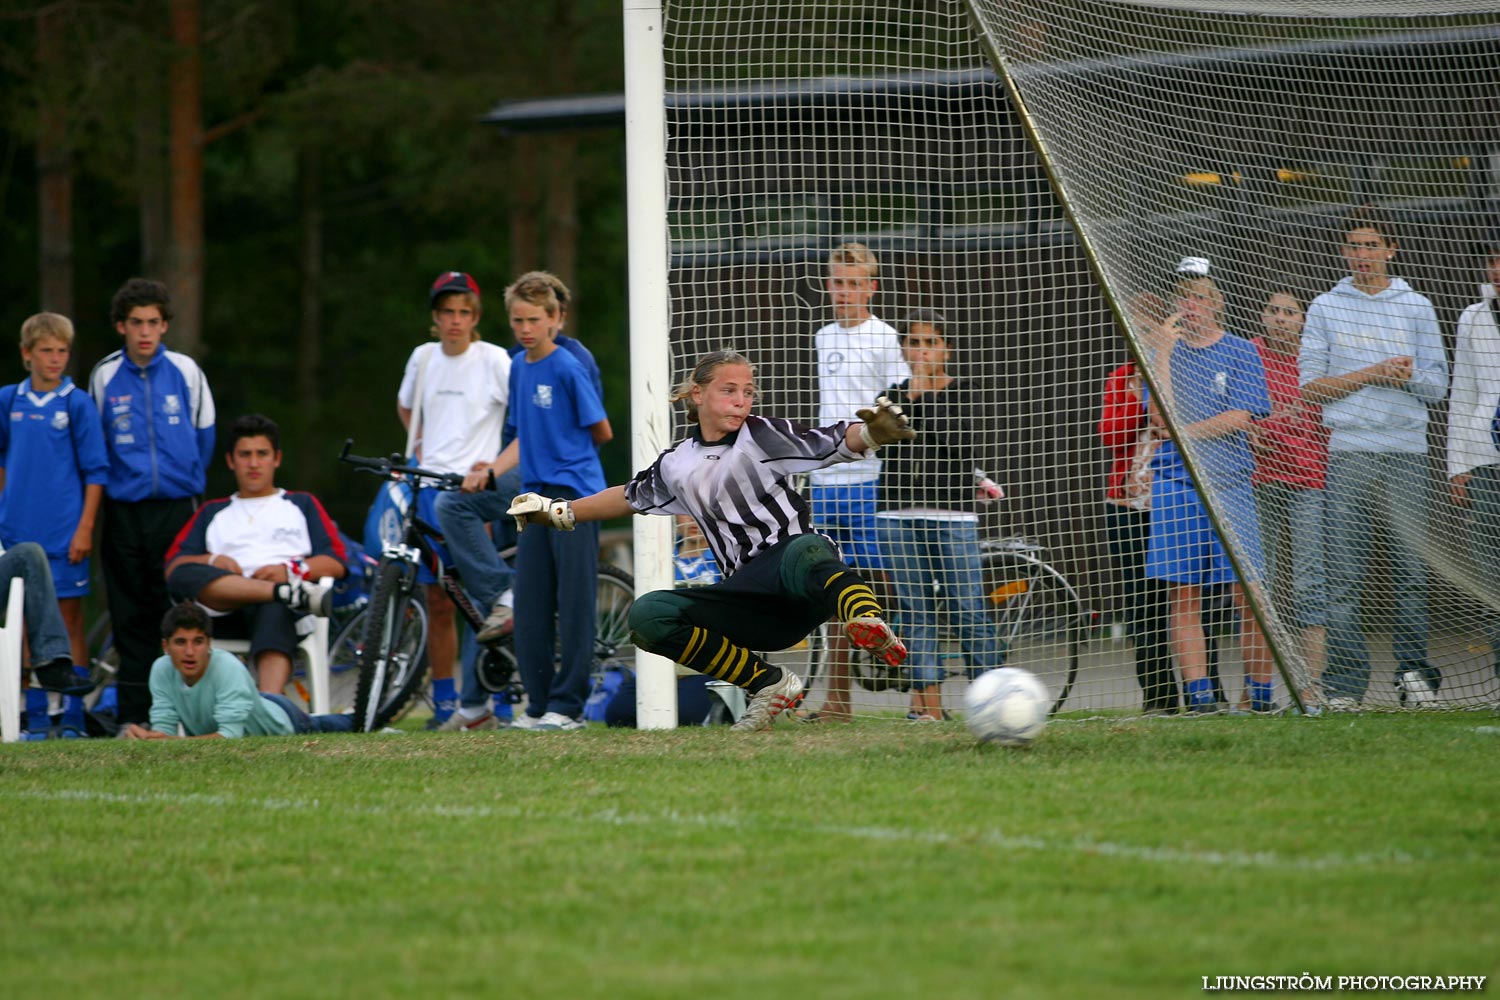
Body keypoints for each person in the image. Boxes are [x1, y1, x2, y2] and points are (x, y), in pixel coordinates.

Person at [506, 349, 914, 731]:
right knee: (648, 615)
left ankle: (866, 619)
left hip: (799, 580)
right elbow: (628, 495)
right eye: (729, 390)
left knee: (806, 546)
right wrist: (561, 511)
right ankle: (767, 683)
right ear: (697, 394)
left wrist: (873, 433)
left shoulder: (763, 434)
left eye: (748, 392)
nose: (741, 400)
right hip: (750, 604)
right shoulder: (677, 464)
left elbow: (833, 442)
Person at [1298, 207, 1448, 709]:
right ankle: (1344, 686)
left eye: (1371, 246)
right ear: (1344, 252)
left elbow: (1438, 384)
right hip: (1349, 452)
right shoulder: (1323, 306)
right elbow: (1311, 388)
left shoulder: (1417, 306)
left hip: (1407, 454)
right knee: (1343, 575)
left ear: (1390, 250)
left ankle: (1414, 677)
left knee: (1410, 570)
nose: (1361, 256)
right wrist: (1371, 373)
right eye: (1353, 247)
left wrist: (1406, 377)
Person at [475, 274, 611, 731]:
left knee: (574, 602)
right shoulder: (517, 366)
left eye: (534, 319)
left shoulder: (571, 364)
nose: (525, 328)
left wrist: (563, 459)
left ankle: (567, 708)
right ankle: (537, 706)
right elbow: (519, 433)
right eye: (517, 320)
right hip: (530, 497)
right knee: (531, 601)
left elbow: (600, 430)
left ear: (553, 318)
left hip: (572, 495)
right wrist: (492, 470)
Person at [1145, 259, 1275, 714]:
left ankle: (1259, 696)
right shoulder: (1163, 353)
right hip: (1176, 485)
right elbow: (1159, 419)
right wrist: (1161, 352)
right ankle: (1200, 699)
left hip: (1230, 484)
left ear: (1217, 303)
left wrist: (1183, 432)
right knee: (1183, 594)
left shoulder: (1241, 351)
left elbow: (1240, 418)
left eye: (1200, 296)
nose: (1192, 305)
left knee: (1250, 592)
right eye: (1184, 297)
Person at [88, 278, 216, 729]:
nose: (145, 332)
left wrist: (184, 483)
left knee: (179, 614)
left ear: (165, 326)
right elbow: (97, 446)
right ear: (121, 327)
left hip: (177, 510)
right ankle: (133, 718)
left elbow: (204, 436)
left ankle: (186, 717)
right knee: (130, 616)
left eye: (154, 323)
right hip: (124, 513)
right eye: (136, 323)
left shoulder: (185, 371)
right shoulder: (104, 375)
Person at [873, 310, 1005, 721]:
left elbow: (958, 439)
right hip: (896, 514)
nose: (922, 351)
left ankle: (994, 703)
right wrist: (888, 420)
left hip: (953, 516)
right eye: (914, 342)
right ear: (904, 349)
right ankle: (929, 710)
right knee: (915, 612)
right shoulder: (891, 394)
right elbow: (883, 444)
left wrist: (916, 404)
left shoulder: (964, 391)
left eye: (931, 343)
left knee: (968, 610)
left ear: (946, 349)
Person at [395, 271, 511, 728]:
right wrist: (419, 442)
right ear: (435, 317)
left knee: (482, 599)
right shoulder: (422, 358)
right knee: (438, 599)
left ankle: (495, 694)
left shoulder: (495, 360)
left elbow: (517, 415)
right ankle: (445, 700)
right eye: (447, 312)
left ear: (476, 316)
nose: (456, 321)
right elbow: (407, 405)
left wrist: (493, 465)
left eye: (464, 312)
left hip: (474, 491)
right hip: (429, 486)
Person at [163, 413, 343, 694]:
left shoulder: (301, 504)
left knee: (274, 608)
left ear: (277, 458)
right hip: (220, 613)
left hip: (283, 613)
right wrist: (212, 560)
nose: (254, 463)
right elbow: (175, 568)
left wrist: (291, 571)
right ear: (231, 461)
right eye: (245, 455)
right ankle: (278, 591)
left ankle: (269, 708)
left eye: (262, 454)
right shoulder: (213, 511)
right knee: (187, 575)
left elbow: (335, 562)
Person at [806, 242, 909, 721]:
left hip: (871, 481)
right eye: (836, 282)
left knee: (886, 580)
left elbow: (903, 408)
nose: (843, 291)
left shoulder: (886, 338)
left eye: (853, 283)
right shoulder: (823, 336)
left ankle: (910, 671)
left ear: (872, 287)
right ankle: (837, 701)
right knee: (833, 589)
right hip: (827, 481)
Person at [0, 312, 109, 728]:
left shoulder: (76, 402)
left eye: (62, 351)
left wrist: (84, 528)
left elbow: (96, 471)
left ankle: (74, 714)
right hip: (17, 531)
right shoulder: (9, 400)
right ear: (27, 354)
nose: (55, 359)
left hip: (64, 532)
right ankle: (36, 715)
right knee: (24, 622)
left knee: (69, 619)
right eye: (46, 350)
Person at [1098, 292, 1181, 714]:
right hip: (1128, 505)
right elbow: (1111, 435)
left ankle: (1207, 693)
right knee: (1140, 601)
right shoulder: (1120, 378)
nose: (1141, 336)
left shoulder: (1182, 370)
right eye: (1134, 328)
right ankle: (1159, 698)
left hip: (1174, 499)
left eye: (1149, 328)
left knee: (1187, 598)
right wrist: (1140, 398)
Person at [1249, 283, 1329, 702]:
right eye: (1274, 310)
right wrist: (1250, 430)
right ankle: (1257, 689)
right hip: (1260, 479)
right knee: (1259, 582)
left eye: (1290, 312)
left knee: (1309, 582)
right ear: (1263, 317)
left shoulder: (1314, 357)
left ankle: (1310, 688)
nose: (1281, 318)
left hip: (1308, 480)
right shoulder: (1249, 353)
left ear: (1302, 320)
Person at [122, 602, 353, 739]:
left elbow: (229, 738)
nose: (190, 652)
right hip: (253, 702)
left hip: (283, 719)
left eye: (198, 642)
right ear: (166, 646)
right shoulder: (161, 669)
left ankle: (372, 714)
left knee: (333, 726)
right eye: (181, 642)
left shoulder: (227, 666)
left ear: (209, 644)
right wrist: (147, 738)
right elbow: (164, 730)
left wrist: (169, 743)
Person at [1444, 230, 1500, 676]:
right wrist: (1459, 466)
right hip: (1486, 460)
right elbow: (1462, 395)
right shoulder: (1473, 318)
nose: (1496, 270)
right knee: (1490, 574)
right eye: (1492, 261)